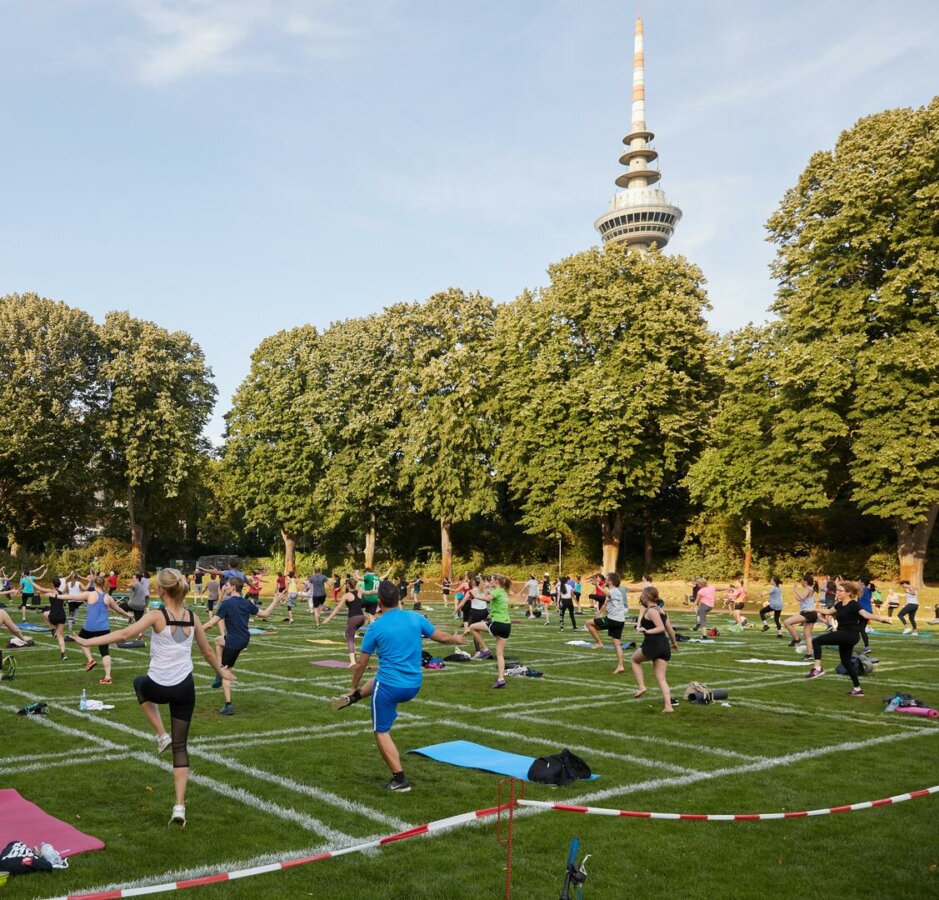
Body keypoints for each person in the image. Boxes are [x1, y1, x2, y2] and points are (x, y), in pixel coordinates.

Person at [74, 568, 233, 826]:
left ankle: (161, 735)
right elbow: (206, 652)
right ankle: (179, 806)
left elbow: (124, 634)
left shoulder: (156, 615)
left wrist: (88, 643)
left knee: (139, 683)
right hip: (185, 689)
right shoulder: (192, 617)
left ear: (161, 591)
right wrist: (222, 673)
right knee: (181, 748)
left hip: (158, 686)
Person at [331, 580, 466, 791]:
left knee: (381, 731)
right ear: (399, 598)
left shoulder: (375, 628)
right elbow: (440, 637)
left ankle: (399, 779)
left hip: (389, 688)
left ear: (379, 602)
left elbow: (361, 664)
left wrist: (352, 685)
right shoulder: (415, 618)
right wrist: (456, 638)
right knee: (379, 677)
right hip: (413, 685)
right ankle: (355, 698)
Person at [202, 577, 279, 714]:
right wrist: (275, 601)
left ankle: (228, 704)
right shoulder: (246, 602)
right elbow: (265, 614)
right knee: (219, 640)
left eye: (227, 585)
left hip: (234, 641)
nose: (225, 587)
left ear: (232, 588)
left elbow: (210, 624)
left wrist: (193, 631)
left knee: (227, 671)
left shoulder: (226, 604)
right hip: (244, 640)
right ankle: (219, 671)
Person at [805, 581, 891, 695]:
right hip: (844, 635)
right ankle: (858, 689)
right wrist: (814, 610)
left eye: (840, 591)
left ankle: (817, 669)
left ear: (848, 592)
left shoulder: (853, 604)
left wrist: (882, 619)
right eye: (837, 590)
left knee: (816, 641)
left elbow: (866, 615)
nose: (837, 593)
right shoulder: (839, 605)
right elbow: (828, 611)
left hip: (850, 634)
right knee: (846, 663)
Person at [72, 576, 135, 682]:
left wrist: (58, 596)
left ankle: (91, 659)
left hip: (90, 627)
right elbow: (118, 609)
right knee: (105, 652)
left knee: (80, 640)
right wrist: (128, 615)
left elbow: (74, 597)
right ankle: (107, 677)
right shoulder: (108, 597)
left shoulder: (91, 594)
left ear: (95, 584)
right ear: (103, 584)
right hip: (104, 628)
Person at [631, 586, 678, 712]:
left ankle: (641, 687)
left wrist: (646, 630)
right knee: (662, 679)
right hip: (664, 646)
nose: (640, 597)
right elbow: (671, 631)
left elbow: (661, 628)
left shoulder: (651, 611)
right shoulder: (662, 611)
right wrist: (674, 643)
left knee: (634, 661)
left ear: (646, 597)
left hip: (653, 644)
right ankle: (668, 706)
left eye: (642, 595)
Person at [467, 575, 513, 688]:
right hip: (507, 625)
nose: (490, 581)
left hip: (498, 623)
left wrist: (476, 595)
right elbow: (489, 594)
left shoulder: (497, 591)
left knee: (472, 627)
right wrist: (485, 588)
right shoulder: (502, 591)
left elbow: (487, 598)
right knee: (499, 654)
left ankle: (485, 650)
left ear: (497, 582)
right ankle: (501, 678)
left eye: (492, 580)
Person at [584, 572, 628, 674]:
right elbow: (606, 603)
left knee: (588, 623)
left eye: (607, 580)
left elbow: (606, 594)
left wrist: (597, 585)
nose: (606, 581)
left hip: (612, 620)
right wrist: (599, 612)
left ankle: (599, 643)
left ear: (611, 581)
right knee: (617, 645)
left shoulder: (614, 591)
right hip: (619, 621)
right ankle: (620, 666)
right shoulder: (613, 591)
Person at [322, 577, 366, 666]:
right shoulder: (360, 591)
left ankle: (353, 661)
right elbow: (368, 594)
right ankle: (354, 655)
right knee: (350, 633)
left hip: (354, 618)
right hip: (362, 617)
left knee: (349, 637)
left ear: (347, 585)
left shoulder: (346, 595)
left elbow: (338, 607)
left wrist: (329, 618)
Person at [783, 573, 819, 659]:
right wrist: (795, 591)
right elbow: (800, 598)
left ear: (805, 582)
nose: (801, 582)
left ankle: (796, 639)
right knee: (807, 635)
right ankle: (809, 654)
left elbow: (802, 597)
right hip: (811, 613)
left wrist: (795, 589)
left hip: (808, 613)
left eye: (802, 581)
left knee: (787, 622)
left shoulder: (808, 589)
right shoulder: (809, 589)